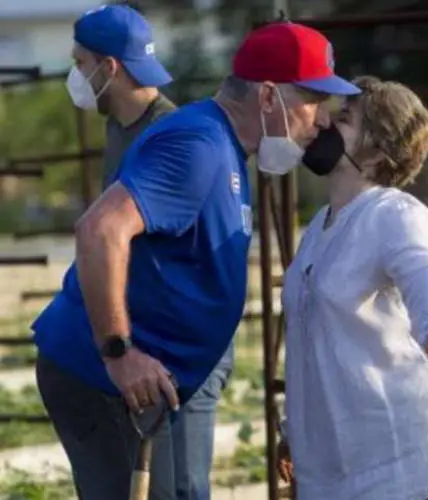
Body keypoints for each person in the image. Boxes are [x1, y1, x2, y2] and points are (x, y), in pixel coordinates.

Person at [32, 21, 359, 499]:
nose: (323, 119)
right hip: (101, 378)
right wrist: (119, 353)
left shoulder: (222, 145)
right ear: (268, 98)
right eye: (312, 99)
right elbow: (100, 229)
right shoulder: (199, 146)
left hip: (132, 388)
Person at [279, 76, 428, 499]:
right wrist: (296, 432)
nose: (323, 123)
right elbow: (311, 341)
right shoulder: (318, 227)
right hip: (349, 462)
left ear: (378, 150)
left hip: (420, 457)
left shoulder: (395, 214)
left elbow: (426, 279)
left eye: (344, 119)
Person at [66, 6, 237, 498]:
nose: (76, 76)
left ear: (109, 68)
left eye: (80, 64)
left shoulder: (172, 136)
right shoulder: (120, 124)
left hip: (179, 350)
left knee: (177, 491)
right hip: (144, 343)